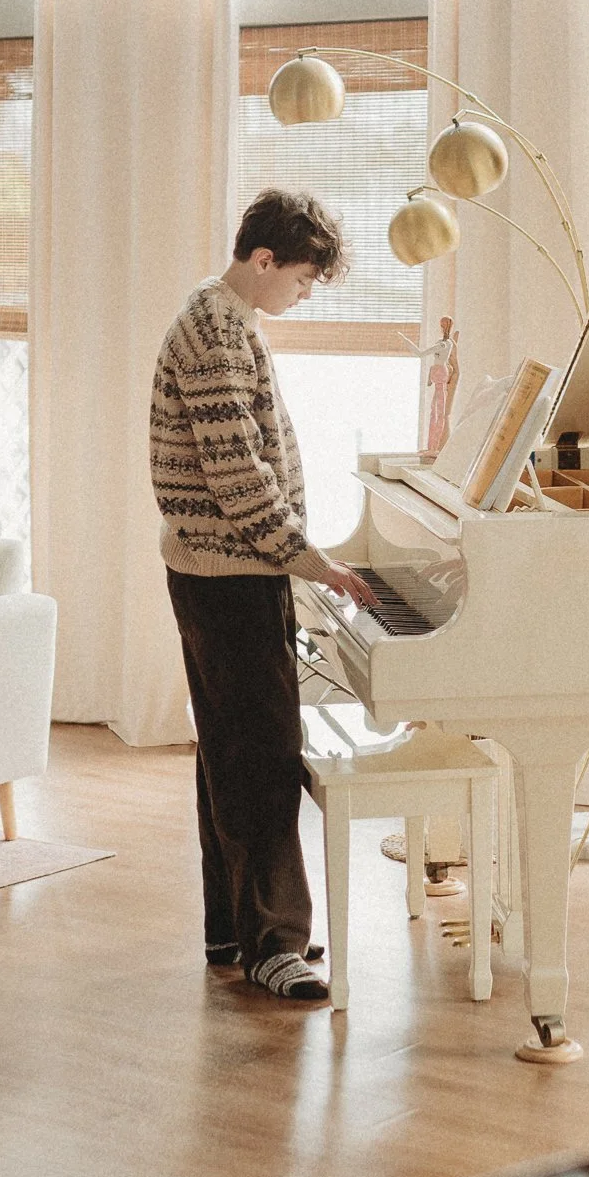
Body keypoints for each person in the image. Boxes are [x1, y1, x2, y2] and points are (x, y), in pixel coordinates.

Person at [150, 189, 374, 1002]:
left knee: (229, 752)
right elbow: (240, 480)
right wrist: (315, 565)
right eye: (304, 279)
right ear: (264, 260)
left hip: (228, 569)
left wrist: (300, 563)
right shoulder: (214, 336)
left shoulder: (229, 324)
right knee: (260, 758)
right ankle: (275, 945)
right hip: (229, 573)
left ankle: (232, 929)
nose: (304, 294)